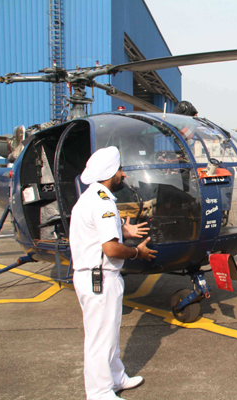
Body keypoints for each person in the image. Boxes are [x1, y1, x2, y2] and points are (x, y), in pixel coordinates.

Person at [70, 146, 157, 400]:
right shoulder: (103, 201)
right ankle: (98, 392)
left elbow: (100, 233)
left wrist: (123, 230)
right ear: (110, 172)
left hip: (96, 277)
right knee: (100, 337)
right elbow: (110, 248)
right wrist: (136, 252)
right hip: (99, 278)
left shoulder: (91, 197)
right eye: (120, 170)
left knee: (110, 331)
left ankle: (116, 377)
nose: (123, 175)